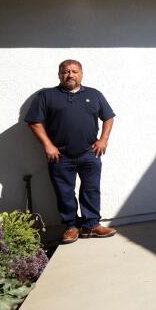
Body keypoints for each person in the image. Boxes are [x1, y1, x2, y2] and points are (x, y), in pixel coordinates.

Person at [25, 60, 117, 244]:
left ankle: (91, 225)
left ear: (81, 74)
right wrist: (48, 145)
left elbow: (108, 117)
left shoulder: (94, 94)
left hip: (90, 153)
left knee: (91, 190)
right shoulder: (47, 96)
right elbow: (34, 122)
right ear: (59, 75)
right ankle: (71, 226)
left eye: (75, 71)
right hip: (60, 156)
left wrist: (103, 140)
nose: (70, 75)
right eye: (66, 71)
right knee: (64, 193)